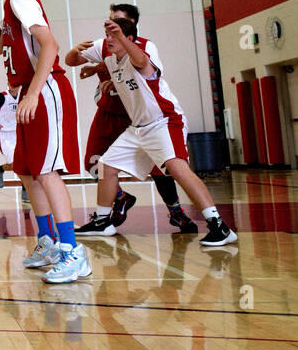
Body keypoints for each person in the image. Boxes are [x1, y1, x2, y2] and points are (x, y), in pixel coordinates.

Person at [74, 15, 237, 247]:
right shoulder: (112, 62)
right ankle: (102, 221)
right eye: (108, 35)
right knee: (105, 165)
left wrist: (121, 37)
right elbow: (83, 62)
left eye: (115, 35)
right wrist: (95, 71)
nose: (109, 39)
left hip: (164, 122)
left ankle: (219, 225)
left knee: (178, 169)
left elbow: (140, 62)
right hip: (138, 129)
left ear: (129, 38)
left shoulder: (142, 57)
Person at [0, 0, 82, 284]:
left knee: (47, 171)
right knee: (27, 170)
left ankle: (72, 253)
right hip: (28, 91)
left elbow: (51, 44)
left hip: (44, 89)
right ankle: (47, 242)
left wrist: (33, 94)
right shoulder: (9, 3)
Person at [64, 3, 197, 234]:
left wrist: (106, 76)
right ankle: (121, 198)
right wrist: (93, 67)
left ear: (130, 26)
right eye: (109, 19)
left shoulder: (144, 47)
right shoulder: (105, 45)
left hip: (135, 115)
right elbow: (74, 60)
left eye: (117, 21)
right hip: (108, 112)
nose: (110, 24)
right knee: (95, 163)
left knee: (161, 168)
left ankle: (177, 212)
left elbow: (143, 72)